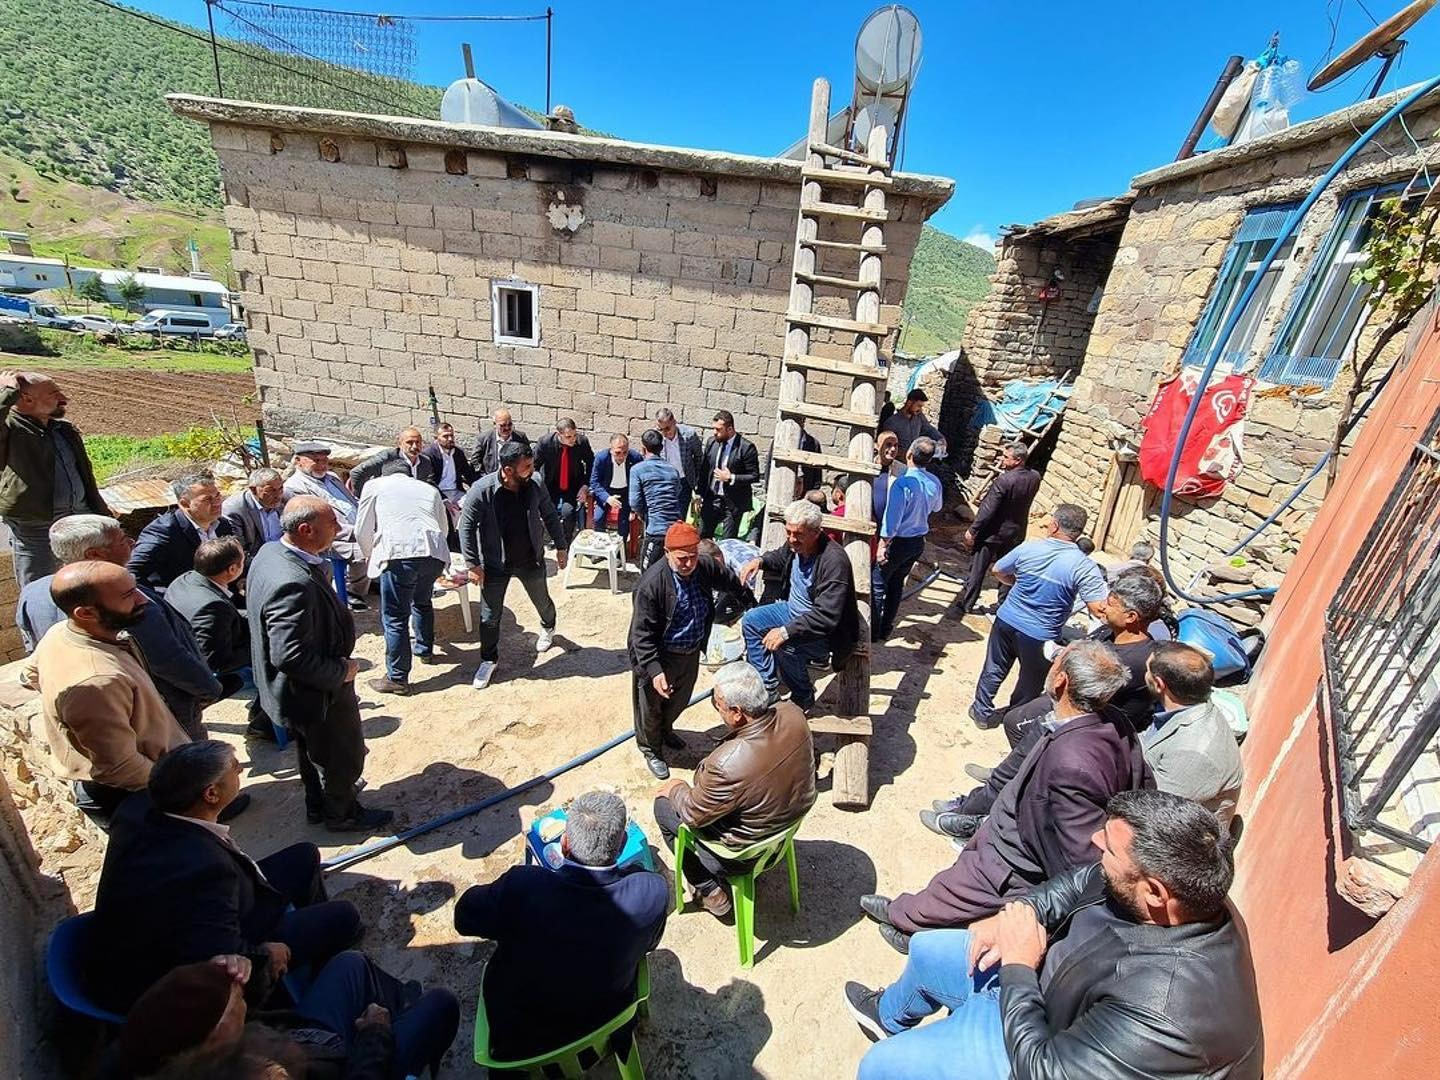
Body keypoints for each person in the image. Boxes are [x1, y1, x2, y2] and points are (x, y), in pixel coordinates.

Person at [846, 790, 1263, 1080]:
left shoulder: (1167, 1015)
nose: (1094, 843)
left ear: (1154, 892)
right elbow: (1077, 882)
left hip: (1046, 1043)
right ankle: (888, 1016)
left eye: (1108, 849)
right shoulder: (1180, 893)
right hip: (1037, 988)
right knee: (927, 947)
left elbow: (1042, 1071)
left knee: (881, 1067)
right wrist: (1023, 911)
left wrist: (1019, 966)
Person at [862, 641, 1151, 950]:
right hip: (1013, 843)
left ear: (1062, 680)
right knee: (962, 895)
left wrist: (1039, 888)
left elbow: (1079, 856)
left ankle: (906, 923)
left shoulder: (1072, 763)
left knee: (951, 892)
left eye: (1057, 661)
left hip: (1012, 859)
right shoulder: (1112, 721)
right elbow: (1144, 781)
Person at [93, 741, 363, 1012]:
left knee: (304, 856)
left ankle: (311, 950)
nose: (241, 770)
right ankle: (313, 990)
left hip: (190, 919)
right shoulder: (206, 868)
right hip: (177, 975)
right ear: (211, 793)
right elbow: (219, 956)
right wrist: (266, 954)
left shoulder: (136, 810)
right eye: (234, 768)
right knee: (345, 917)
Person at [924, 572, 1167, 844]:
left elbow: (1079, 677)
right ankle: (998, 789)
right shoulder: (1114, 633)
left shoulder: (1133, 661)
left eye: (1111, 603)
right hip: (1066, 713)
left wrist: (1065, 660)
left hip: (1077, 727)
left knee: (1018, 770)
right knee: (1018, 755)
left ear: (1131, 616)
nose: (1102, 606)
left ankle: (968, 815)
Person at [455, 791, 668, 1062]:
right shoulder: (652, 890)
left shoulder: (524, 887)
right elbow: (650, 945)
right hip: (607, 1018)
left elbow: (464, 918)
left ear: (564, 845)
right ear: (622, 843)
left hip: (521, 1038)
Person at [247, 496, 393, 832]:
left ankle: (319, 804)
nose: (340, 529)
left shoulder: (271, 552)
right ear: (305, 529)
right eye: (332, 524)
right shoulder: (292, 583)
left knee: (312, 752)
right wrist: (341, 672)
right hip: (316, 691)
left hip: (293, 693)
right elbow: (288, 654)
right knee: (343, 755)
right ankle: (342, 815)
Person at [20, 514, 225, 741]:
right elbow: (168, 660)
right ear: (95, 555)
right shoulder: (128, 602)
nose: (132, 543)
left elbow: (33, 650)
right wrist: (210, 689)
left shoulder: (33, 593)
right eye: (120, 540)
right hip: (160, 714)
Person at [118, 952, 458, 1080]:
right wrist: (373, 1035)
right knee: (440, 1005)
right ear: (213, 1039)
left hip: (310, 1041)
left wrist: (254, 965)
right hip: (353, 1066)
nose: (244, 1003)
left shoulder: (171, 1053)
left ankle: (399, 1005)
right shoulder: (261, 1075)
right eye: (236, 1002)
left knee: (350, 964)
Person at [28, 561, 191, 825]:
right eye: (128, 596)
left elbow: (29, 675)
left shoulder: (59, 633)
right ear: (86, 613)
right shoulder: (98, 681)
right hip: (141, 795)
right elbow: (120, 768)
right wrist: (182, 788)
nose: (143, 600)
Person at [653, 662, 817, 917]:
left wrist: (676, 788)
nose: (716, 709)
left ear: (737, 713)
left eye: (717, 704)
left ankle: (709, 891)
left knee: (663, 807)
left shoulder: (727, 763)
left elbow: (693, 814)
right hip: (785, 827)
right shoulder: (793, 713)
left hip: (742, 854)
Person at [629, 522, 752, 778]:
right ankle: (650, 748)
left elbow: (728, 579)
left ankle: (666, 730)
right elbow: (642, 635)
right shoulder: (651, 585)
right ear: (667, 553)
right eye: (682, 558)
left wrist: (748, 600)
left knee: (678, 701)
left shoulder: (703, 565)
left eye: (692, 557)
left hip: (690, 651)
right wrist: (654, 670)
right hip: (660, 656)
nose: (688, 563)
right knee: (650, 708)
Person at [969, 504, 1108, 728]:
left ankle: (981, 711)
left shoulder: (1029, 549)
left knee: (994, 666)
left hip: (1007, 619)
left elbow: (998, 570)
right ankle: (1014, 719)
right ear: (1078, 532)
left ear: (1054, 526)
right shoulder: (1084, 566)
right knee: (1030, 682)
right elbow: (1098, 608)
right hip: (1041, 634)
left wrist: (1016, 583)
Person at [458, 440, 569, 691]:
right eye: (526, 466)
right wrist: (473, 564)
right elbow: (466, 526)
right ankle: (488, 659)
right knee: (489, 616)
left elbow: (550, 514)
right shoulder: (482, 490)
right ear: (508, 470)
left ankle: (548, 627)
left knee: (542, 601)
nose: (532, 470)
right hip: (495, 564)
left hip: (530, 559)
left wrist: (561, 546)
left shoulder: (535, 483)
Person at [737, 499, 861, 711]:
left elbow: (826, 616)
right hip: (791, 611)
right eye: (788, 533)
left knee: (786, 646)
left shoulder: (834, 561)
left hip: (823, 631)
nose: (792, 539)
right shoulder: (796, 544)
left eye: (798, 535)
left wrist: (785, 632)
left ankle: (803, 694)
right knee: (751, 621)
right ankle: (769, 688)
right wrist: (760, 561)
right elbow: (780, 556)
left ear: (816, 532)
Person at [0, 369, 108, 589]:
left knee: (89, 582)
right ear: (26, 399)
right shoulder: (11, 429)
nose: (64, 398)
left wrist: (99, 510)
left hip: (80, 517)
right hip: (37, 524)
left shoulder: (62, 429)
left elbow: (84, 475)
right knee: (38, 586)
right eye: (54, 393)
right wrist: (7, 392)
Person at [355, 460, 450, 695]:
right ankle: (424, 649)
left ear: (384, 474)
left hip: (399, 553)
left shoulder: (375, 485)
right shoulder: (428, 489)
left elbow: (362, 529)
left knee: (395, 617)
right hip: (433, 553)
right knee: (422, 601)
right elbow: (444, 528)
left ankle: (397, 677)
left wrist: (370, 555)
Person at [1142, 642, 1245, 825]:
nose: (1145, 675)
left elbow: (1152, 810)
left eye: (1147, 671)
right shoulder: (1188, 708)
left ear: (1159, 684)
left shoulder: (1193, 753)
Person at [165, 539, 261, 734]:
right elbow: (216, 662)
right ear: (232, 569)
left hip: (186, 645)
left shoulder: (187, 578)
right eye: (244, 560)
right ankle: (263, 723)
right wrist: (259, 645)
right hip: (198, 670)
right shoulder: (212, 607)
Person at [282, 441, 370, 610]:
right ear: (299, 461)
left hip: (356, 527)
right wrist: (358, 533)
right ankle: (354, 591)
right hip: (330, 537)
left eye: (325, 461)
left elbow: (350, 501)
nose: (322, 465)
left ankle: (370, 581)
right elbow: (315, 524)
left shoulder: (332, 478)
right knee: (366, 550)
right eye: (316, 461)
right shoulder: (294, 487)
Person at [872, 436, 944, 642]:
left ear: (909, 454)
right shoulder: (934, 482)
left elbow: (892, 520)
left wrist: (882, 545)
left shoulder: (902, 484)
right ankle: (886, 628)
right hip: (917, 541)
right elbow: (937, 507)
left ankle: (873, 631)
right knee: (896, 584)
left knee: (877, 583)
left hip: (898, 541)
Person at [957, 442, 1042, 615]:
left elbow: (988, 509)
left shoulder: (1005, 480)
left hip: (993, 532)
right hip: (1016, 532)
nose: (1002, 460)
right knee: (1007, 569)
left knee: (978, 568)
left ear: (1018, 460)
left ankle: (967, 603)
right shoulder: (1034, 477)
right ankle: (1003, 604)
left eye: (1006, 457)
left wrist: (973, 530)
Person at [128, 474, 237, 595]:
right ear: (185, 504)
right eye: (207, 499)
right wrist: (164, 602)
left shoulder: (222, 525)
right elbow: (132, 571)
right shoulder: (164, 532)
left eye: (217, 496)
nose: (217, 502)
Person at [628, 429, 686, 571]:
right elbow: (677, 493)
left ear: (643, 448)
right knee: (671, 572)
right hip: (675, 530)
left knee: (647, 574)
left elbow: (634, 502)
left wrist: (644, 514)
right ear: (661, 448)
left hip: (656, 530)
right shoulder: (673, 470)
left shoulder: (638, 469)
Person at [699, 410, 759, 540]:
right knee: (703, 537)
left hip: (732, 503)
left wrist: (731, 477)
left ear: (730, 429)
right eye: (713, 428)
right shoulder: (712, 442)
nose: (715, 432)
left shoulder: (746, 447)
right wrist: (699, 494)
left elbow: (754, 476)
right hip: (712, 498)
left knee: (728, 542)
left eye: (719, 429)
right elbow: (704, 470)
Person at [532, 417, 594, 544]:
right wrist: (538, 487)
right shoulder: (545, 443)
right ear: (559, 434)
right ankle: (549, 539)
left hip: (572, 485)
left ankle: (565, 543)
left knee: (568, 513)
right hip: (550, 484)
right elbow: (534, 466)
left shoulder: (581, 442)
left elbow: (591, 464)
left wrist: (585, 486)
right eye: (569, 437)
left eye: (574, 435)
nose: (573, 439)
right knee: (548, 513)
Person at [347, 426, 434, 496]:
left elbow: (427, 483)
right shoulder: (388, 457)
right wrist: (361, 497)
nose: (414, 446)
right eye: (409, 442)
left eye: (418, 442)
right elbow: (356, 472)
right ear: (400, 444)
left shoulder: (425, 462)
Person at [221, 467, 286, 560]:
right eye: (270, 490)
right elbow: (239, 552)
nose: (278, 495)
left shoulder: (286, 499)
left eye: (280, 488)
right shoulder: (235, 509)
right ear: (253, 490)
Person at [589, 433, 642, 538]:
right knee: (598, 518)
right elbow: (594, 482)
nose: (621, 456)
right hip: (607, 491)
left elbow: (640, 481)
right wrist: (607, 498)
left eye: (625, 452)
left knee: (624, 523)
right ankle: (601, 545)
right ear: (611, 449)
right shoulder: (601, 458)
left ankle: (620, 550)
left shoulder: (635, 458)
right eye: (618, 453)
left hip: (626, 492)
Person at [421, 421, 480, 514]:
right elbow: (429, 481)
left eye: (451, 435)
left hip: (456, 492)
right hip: (438, 493)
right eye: (445, 436)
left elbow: (468, 474)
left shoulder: (458, 453)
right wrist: (444, 500)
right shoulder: (428, 454)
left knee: (474, 507)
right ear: (436, 438)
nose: (450, 439)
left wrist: (479, 488)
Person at [654, 406, 705, 508]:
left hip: (684, 482)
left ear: (674, 422)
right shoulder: (656, 437)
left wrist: (696, 481)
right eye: (661, 429)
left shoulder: (689, 435)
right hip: (664, 482)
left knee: (680, 516)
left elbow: (699, 457)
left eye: (667, 428)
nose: (665, 432)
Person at [881, 388, 944, 456]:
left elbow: (929, 429)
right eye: (919, 406)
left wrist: (941, 439)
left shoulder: (919, 417)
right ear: (909, 403)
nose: (920, 409)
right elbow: (886, 448)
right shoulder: (892, 422)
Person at [473, 407, 530, 475]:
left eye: (509, 424)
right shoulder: (484, 439)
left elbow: (528, 457)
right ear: (495, 424)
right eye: (502, 425)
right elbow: (475, 462)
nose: (507, 428)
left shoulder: (520, 437)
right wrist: (484, 479)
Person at [871, 431, 906, 529]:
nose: (893, 449)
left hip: (891, 527)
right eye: (888, 445)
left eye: (896, 445)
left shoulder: (902, 470)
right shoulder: (867, 466)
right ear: (877, 446)